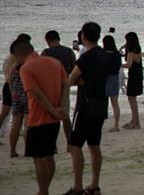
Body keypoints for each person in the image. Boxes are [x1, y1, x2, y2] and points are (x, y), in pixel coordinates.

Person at [14, 38, 69, 195]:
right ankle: (44, 190)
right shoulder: (54, 62)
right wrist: (61, 107)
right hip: (54, 119)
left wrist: (52, 110)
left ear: (18, 56)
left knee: (39, 158)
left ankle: (43, 191)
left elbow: (36, 94)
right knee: (49, 155)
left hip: (38, 119)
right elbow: (66, 83)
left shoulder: (26, 69)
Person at [67, 22, 109, 195]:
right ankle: (94, 185)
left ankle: (78, 187)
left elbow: (71, 79)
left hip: (85, 105)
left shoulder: (86, 57)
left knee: (75, 145)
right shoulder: (104, 55)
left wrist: (80, 81)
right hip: (101, 103)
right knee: (94, 145)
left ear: (83, 36)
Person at [42, 30, 76, 145]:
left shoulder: (46, 52)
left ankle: (53, 146)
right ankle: (70, 143)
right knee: (65, 116)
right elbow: (74, 69)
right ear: (58, 39)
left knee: (51, 117)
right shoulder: (69, 51)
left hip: (50, 87)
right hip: (64, 85)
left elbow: (41, 71)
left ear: (47, 41)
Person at [121, 32, 143, 129]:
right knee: (132, 99)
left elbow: (128, 65)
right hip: (138, 75)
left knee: (132, 99)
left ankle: (137, 123)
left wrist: (118, 64)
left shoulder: (130, 52)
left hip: (133, 76)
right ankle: (134, 120)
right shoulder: (138, 49)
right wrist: (122, 47)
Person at [102, 36, 122, 132]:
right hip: (115, 78)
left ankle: (99, 124)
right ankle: (116, 125)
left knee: (102, 103)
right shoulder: (117, 54)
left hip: (105, 79)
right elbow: (119, 66)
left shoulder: (103, 54)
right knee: (115, 104)